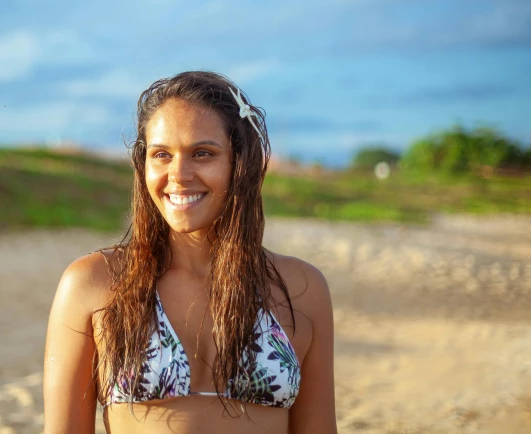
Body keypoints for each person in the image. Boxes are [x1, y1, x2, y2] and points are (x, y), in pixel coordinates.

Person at [44, 71, 337, 434]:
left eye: (203, 153)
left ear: (240, 163)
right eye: (162, 154)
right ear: (143, 165)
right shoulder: (94, 283)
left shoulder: (301, 288)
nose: (179, 174)